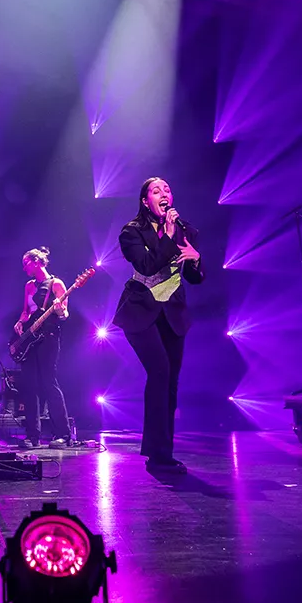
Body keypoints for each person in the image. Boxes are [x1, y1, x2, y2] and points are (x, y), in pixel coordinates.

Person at [112, 177, 203, 473]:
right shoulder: (131, 232)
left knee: (170, 380)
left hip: (173, 313)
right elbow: (147, 265)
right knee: (160, 371)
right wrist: (168, 235)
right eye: (156, 190)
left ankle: (163, 452)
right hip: (140, 311)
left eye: (167, 189)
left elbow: (194, 278)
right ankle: (157, 453)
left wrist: (196, 260)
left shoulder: (186, 231)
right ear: (145, 201)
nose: (164, 193)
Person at [13, 246, 73, 448]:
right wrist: (20, 322)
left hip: (49, 337)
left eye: (26, 263)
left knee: (49, 383)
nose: (24, 268)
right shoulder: (28, 286)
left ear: (37, 261)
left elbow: (65, 315)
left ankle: (63, 435)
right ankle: (32, 436)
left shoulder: (56, 284)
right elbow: (26, 312)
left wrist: (59, 310)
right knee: (29, 385)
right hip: (31, 339)